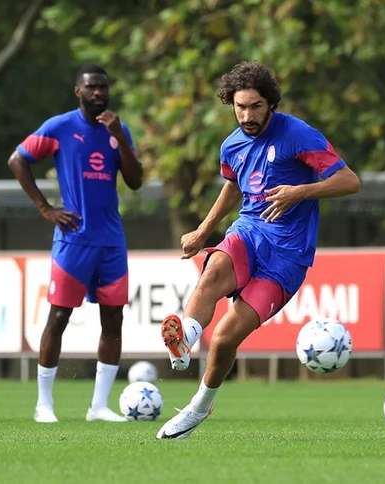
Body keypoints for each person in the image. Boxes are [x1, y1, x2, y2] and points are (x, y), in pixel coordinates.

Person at [155, 62, 361, 439]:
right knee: (213, 270)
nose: (247, 116)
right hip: (249, 231)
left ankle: (199, 407)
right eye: (240, 107)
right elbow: (233, 185)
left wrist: (300, 191)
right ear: (230, 104)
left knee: (225, 339)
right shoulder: (231, 145)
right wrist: (203, 231)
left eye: (255, 107)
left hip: (288, 254)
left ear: (271, 105)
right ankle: (185, 337)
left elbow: (349, 181)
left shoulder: (299, 135)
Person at [8, 64, 143, 423]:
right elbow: (18, 159)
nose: (99, 93)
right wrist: (45, 207)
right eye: (92, 87)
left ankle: (98, 406)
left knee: (113, 320)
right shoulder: (59, 127)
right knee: (59, 316)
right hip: (74, 242)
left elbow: (135, 181)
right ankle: (44, 404)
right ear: (78, 91)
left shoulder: (119, 129)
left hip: (111, 242)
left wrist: (121, 138)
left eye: (104, 87)